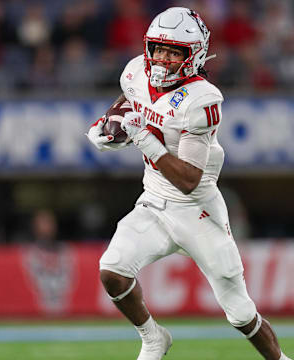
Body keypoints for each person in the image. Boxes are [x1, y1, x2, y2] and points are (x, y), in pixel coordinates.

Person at [87, 7, 291, 360]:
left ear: (193, 55)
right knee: (112, 273)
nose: (163, 59)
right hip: (153, 201)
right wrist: (105, 129)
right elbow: (127, 106)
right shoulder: (136, 70)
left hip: (197, 210)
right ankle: (153, 337)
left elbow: (188, 180)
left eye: (174, 51)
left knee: (240, 312)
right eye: (159, 49)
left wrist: (141, 138)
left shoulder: (202, 99)